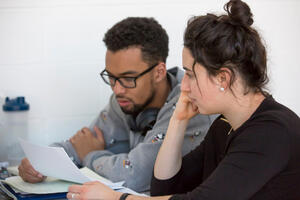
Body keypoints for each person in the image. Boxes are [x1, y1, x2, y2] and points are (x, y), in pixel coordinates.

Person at [66, 0, 300, 199]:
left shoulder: (271, 131)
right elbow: (165, 188)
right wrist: (178, 120)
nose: (184, 86)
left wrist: (117, 198)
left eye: (190, 74)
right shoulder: (224, 125)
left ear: (223, 78)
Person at [18, 17, 214, 192]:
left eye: (128, 78)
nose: (117, 89)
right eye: (111, 78)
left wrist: (91, 155)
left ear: (159, 72)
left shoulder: (190, 104)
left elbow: (135, 176)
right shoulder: (124, 99)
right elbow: (81, 143)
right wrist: (40, 162)